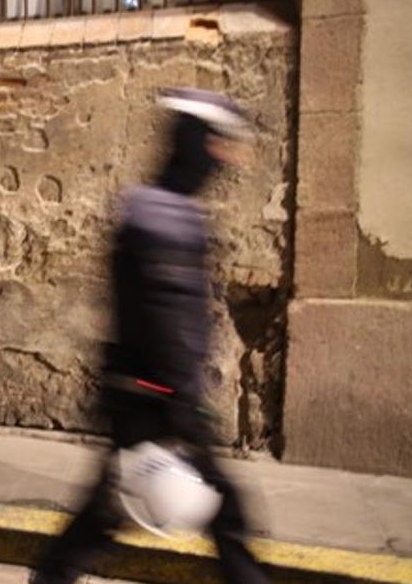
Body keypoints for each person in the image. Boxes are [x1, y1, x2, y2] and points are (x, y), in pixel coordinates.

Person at [31, 88, 268, 584]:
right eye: (219, 145)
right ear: (196, 145)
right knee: (221, 513)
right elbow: (163, 321)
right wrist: (183, 403)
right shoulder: (164, 220)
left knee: (108, 514)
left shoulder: (154, 209)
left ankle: (51, 577)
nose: (226, 158)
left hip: (144, 396)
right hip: (156, 400)